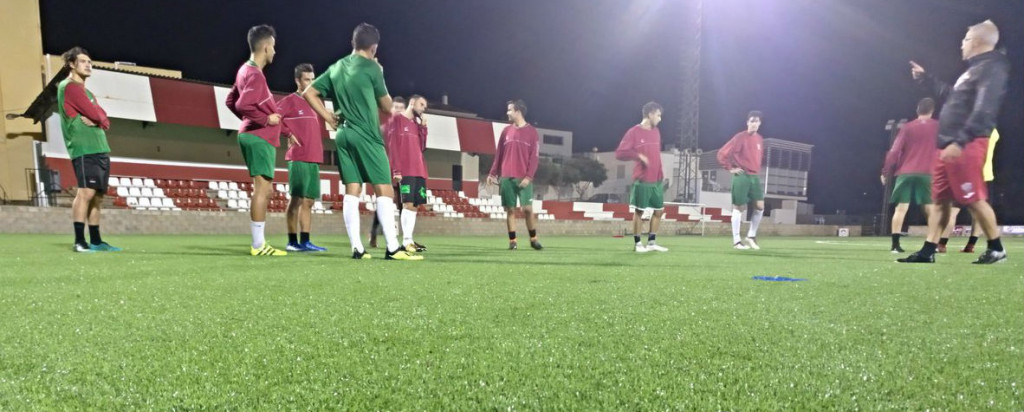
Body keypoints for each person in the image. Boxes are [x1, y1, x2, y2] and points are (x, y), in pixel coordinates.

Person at [302, 23, 421, 260]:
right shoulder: (372, 68)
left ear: (352, 43)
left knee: (352, 189)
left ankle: (357, 248)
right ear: (374, 47)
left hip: (343, 134)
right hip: (366, 133)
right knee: (384, 188)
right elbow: (387, 106)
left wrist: (327, 116)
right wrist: (381, 73)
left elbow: (309, 93)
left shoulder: (336, 67)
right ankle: (393, 248)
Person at [900, 20, 1009, 264]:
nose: (962, 43)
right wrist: (926, 79)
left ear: (979, 42)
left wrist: (960, 142)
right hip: (948, 145)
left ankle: (996, 248)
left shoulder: (993, 68)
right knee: (940, 200)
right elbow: (953, 97)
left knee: (973, 198)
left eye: (966, 39)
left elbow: (985, 109)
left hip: (965, 144)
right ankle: (928, 251)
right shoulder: (972, 70)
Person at [225, 24, 287, 256]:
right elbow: (241, 104)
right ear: (266, 46)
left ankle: (260, 242)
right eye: (273, 47)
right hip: (259, 136)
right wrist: (264, 119)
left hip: (254, 134)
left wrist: (250, 120)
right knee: (262, 189)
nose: (275, 52)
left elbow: (231, 100)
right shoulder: (255, 75)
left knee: (266, 189)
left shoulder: (244, 70)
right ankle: (258, 245)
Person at [58, 47, 120, 253]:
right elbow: (96, 113)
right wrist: (98, 118)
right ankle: (79, 241)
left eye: (90, 62)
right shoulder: (70, 87)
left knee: (98, 196)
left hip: (100, 147)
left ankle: (96, 241)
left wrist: (99, 120)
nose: (88, 65)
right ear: (71, 64)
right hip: (84, 148)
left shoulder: (88, 92)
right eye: (83, 61)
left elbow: (103, 117)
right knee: (86, 192)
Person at [279, 63, 327, 252]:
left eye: (312, 79)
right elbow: (273, 118)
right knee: (296, 199)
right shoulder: (289, 100)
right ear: (297, 80)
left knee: (309, 201)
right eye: (307, 79)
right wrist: (288, 133)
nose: (310, 83)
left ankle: (305, 241)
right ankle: (292, 241)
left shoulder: (316, 102)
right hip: (298, 156)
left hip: (314, 157)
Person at [880, 98, 938, 253]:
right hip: (928, 172)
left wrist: (885, 170)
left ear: (917, 110)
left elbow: (894, 151)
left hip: (906, 172)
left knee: (901, 209)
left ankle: (895, 246)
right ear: (932, 110)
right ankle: (932, 245)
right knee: (931, 209)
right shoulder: (938, 127)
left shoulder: (907, 127)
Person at [486, 99, 542, 251]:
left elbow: (534, 158)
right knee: (510, 210)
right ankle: (513, 241)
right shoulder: (506, 131)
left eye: (510, 110)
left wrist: (528, 177)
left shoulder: (532, 132)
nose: (507, 112)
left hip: (524, 178)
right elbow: (499, 154)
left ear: (518, 111)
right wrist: (492, 173)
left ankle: (533, 239)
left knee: (527, 209)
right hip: (506, 177)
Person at [614, 102, 668, 253]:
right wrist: (639, 156)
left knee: (659, 211)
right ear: (650, 114)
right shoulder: (633, 132)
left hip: (657, 179)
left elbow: (656, 155)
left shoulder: (656, 131)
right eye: (658, 115)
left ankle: (651, 242)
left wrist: (660, 172)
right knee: (639, 211)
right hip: (643, 179)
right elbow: (620, 153)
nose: (660, 119)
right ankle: (638, 244)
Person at [940, 128, 1000, 253]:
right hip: (986, 174)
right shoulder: (993, 131)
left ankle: (941, 244)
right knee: (978, 211)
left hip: (969, 173)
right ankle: (971, 246)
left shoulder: (971, 130)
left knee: (953, 210)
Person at [384, 95, 430, 253]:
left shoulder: (416, 125)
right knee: (407, 204)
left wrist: (423, 128)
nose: (424, 108)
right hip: (405, 171)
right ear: (412, 103)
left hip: (419, 170)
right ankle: (406, 241)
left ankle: (409, 240)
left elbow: (422, 147)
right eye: (421, 104)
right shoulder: (396, 120)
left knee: (415, 206)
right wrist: (396, 170)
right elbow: (393, 146)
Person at [716, 111, 766, 250]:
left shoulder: (760, 139)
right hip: (742, 176)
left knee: (760, 206)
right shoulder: (739, 137)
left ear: (760, 123)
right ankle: (737, 241)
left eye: (757, 121)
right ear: (747, 122)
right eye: (752, 121)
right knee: (739, 208)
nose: (754, 123)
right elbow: (722, 153)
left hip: (754, 176)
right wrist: (730, 168)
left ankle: (751, 235)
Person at [370, 97, 408, 248]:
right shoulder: (384, 128)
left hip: (404, 172)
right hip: (386, 170)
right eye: (396, 107)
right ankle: (374, 234)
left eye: (401, 108)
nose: (398, 110)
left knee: (403, 204)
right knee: (384, 202)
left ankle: (406, 238)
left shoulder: (408, 128)